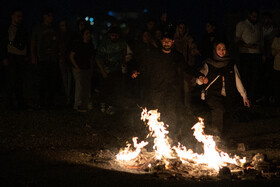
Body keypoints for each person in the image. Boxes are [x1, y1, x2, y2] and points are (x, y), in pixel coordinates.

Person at [132, 31, 205, 144]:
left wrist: (199, 75)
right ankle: (156, 138)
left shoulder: (177, 56)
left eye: (169, 41)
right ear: (161, 41)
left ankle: (170, 136)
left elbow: (186, 68)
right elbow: (144, 66)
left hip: (172, 90)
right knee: (156, 113)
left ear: (173, 42)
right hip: (157, 90)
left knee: (171, 113)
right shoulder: (154, 55)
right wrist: (137, 71)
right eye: (164, 41)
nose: (166, 43)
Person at [196, 42, 250, 138]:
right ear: (215, 50)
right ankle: (216, 136)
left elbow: (238, 80)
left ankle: (225, 139)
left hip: (228, 94)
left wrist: (244, 96)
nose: (221, 51)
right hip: (213, 94)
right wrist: (201, 80)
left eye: (223, 49)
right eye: (219, 49)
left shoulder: (231, 64)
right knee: (219, 110)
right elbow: (199, 78)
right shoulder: (209, 64)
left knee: (229, 114)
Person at [30, 9, 59, 108]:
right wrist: (33, 56)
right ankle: (41, 102)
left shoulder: (54, 29)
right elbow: (33, 43)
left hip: (53, 59)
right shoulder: (38, 28)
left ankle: (50, 102)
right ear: (44, 16)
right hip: (42, 59)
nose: (51, 18)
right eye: (49, 16)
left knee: (52, 81)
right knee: (42, 81)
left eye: (52, 16)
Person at [96, 26, 127, 114]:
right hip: (105, 69)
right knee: (105, 88)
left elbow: (124, 52)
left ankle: (112, 106)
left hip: (116, 69)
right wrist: (103, 71)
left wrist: (123, 62)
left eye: (116, 35)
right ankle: (103, 105)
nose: (114, 37)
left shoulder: (121, 42)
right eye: (112, 35)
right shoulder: (104, 43)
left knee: (115, 88)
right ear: (109, 35)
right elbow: (98, 58)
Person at [235, 9, 264, 104]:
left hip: (256, 54)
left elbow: (261, 40)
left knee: (255, 76)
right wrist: (248, 46)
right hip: (246, 54)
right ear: (249, 15)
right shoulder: (242, 24)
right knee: (245, 75)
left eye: (256, 17)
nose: (255, 18)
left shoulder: (259, 26)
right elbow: (237, 40)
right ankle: (244, 98)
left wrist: (262, 53)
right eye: (253, 16)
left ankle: (253, 98)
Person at [2, 9, 28, 109]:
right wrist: (4, 57)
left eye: (21, 16)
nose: (20, 18)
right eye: (18, 16)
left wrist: (26, 55)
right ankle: (9, 103)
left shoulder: (23, 29)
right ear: (12, 16)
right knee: (11, 80)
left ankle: (20, 102)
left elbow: (26, 42)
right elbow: (3, 44)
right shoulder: (7, 29)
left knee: (19, 81)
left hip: (21, 57)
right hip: (12, 56)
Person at [174, 22, 200, 110]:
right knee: (178, 88)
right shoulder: (175, 39)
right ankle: (179, 108)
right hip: (177, 68)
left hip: (187, 67)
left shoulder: (189, 39)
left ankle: (187, 109)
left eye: (183, 27)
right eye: (180, 27)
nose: (182, 29)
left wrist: (195, 51)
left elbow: (193, 49)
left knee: (187, 89)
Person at [70, 28, 95, 112]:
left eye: (89, 34)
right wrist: (76, 67)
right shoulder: (78, 45)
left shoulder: (90, 46)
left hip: (87, 69)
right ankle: (78, 105)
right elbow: (71, 56)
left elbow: (91, 58)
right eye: (86, 34)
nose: (88, 36)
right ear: (83, 35)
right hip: (79, 68)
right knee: (79, 87)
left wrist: (91, 69)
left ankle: (85, 104)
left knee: (86, 87)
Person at [58, 20, 73, 106]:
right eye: (62, 25)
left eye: (65, 25)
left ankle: (69, 98)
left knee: (69, 80)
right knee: (65, 80)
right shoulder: (59, 35)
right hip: (62, 60)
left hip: (68, 60)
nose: (64, 27)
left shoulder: (69, 36)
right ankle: (67, 98)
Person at [271, 25, 280, 105]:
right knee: (277, 84)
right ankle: (277, 101)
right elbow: (273, 52)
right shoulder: (276, 39)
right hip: (277, 65)